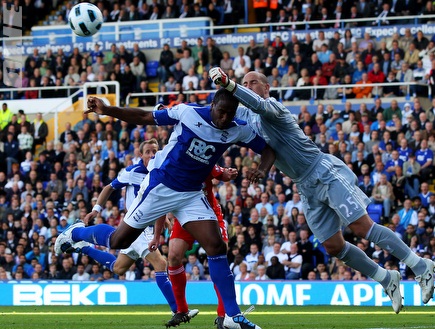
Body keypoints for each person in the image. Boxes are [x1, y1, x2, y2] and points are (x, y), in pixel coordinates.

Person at [209, 67, 435, 314]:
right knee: (333, 247)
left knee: (362, 227)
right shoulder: (246, 115)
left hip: (322, 171)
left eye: (253, 82)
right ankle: (385, 277)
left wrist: (230, 83)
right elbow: (220, 109)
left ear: (267, 88)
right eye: (245, 83)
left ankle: (421, 266)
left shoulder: (272, 106)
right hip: (304, 185)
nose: (248, 86)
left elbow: (253, 102)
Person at [55, 88, 275, 329]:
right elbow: (143, 117)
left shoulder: (237, 127)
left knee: (216, 244)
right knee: (118, 240)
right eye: (221, 112)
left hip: (191, 194)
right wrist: (108, 110)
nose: (224, 119)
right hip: (160, 187)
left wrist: (262, 169)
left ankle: (232, 315)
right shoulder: (188, 113)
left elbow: (268, 149)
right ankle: (76, 232)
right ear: (213, 105)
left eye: (229, 114)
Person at [78, 139, 188, 319]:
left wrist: (165, 219)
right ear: (141, 155)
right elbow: (108, 187)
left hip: (145, 228)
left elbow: (158, 200)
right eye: (148, 152)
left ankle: (82, 247)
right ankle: (178, 310)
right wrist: (95, 210)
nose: (152, 155)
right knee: (160, 264)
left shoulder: (162, 171)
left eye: (155, 151)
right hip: (136, 226)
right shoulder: (132, 172)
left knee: (118, 268)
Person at [167, 164, 237, 329]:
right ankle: (182, 310)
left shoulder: (203, 159)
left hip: (210, 214)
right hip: (184, 215)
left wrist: (230, 173)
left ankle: (223, 315)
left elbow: (223, 175)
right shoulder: (171, 163)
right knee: (173, 256)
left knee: (219, 258)